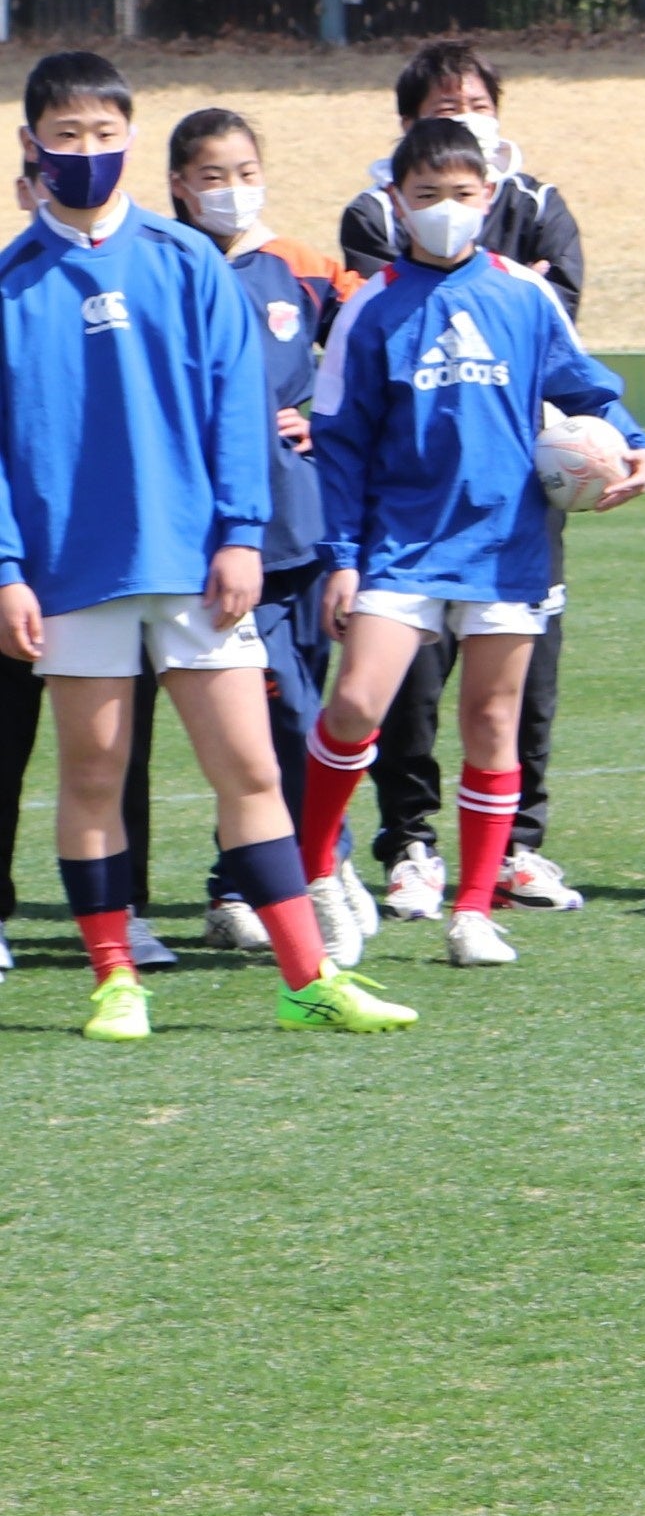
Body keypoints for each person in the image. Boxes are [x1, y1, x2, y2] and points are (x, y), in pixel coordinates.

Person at [2, 50, 411, 1040]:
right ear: (30, 146)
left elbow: (240, 411)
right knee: (93, 777)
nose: (87, 152)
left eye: (105, 134)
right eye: (67, 135)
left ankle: (307, 976)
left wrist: (240, 535)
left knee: (252, 772)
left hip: (196, 564)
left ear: (132, 141)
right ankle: (114, 978)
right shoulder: (9, 285)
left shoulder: (184, 263)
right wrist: (7, 567)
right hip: (69, 573)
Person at [299, 119, 645, 969]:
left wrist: (641, 445)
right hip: (400, 543)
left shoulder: (523, 297)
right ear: (396, 203)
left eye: (462, 196)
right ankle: (318, 871)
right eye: (425, 197)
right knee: (355, 705)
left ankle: (472, 910)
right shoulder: (370, 305)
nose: (445, 211)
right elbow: (339, 443)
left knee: (492, 724)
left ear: (489, 198)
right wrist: (341, 557)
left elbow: (591, 392)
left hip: (506, 546)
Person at [336, 39, 590, 919]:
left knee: (513, 696)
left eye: (476, 105)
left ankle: (509, 859)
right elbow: (379, 332)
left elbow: (571, 349)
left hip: (514, 499)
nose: (463, 121)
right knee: (387, 691)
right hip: (406, 511)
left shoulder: (537, 221)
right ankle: (406, 846)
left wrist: (637, 448)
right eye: (443, 109)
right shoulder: (372, 233)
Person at [153, 108, 374, 957]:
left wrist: (328, 416)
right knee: (277, 714)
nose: (232, 191)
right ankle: (319, 867)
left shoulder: (306, 268)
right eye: (213, 176)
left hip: (299, 525)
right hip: (203, 540)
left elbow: (377, 334)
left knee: (300, 715)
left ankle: (241, 885)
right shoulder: (161, 268)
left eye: (246, 172)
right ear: (178, 183)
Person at [0, 152, 157, 976]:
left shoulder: (141, 270)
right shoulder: (11, 283)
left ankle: (125, 909)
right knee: (5, 738)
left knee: (113, 743)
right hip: (20, 560)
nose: (58, 178)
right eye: (40, 167)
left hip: (93, 561)